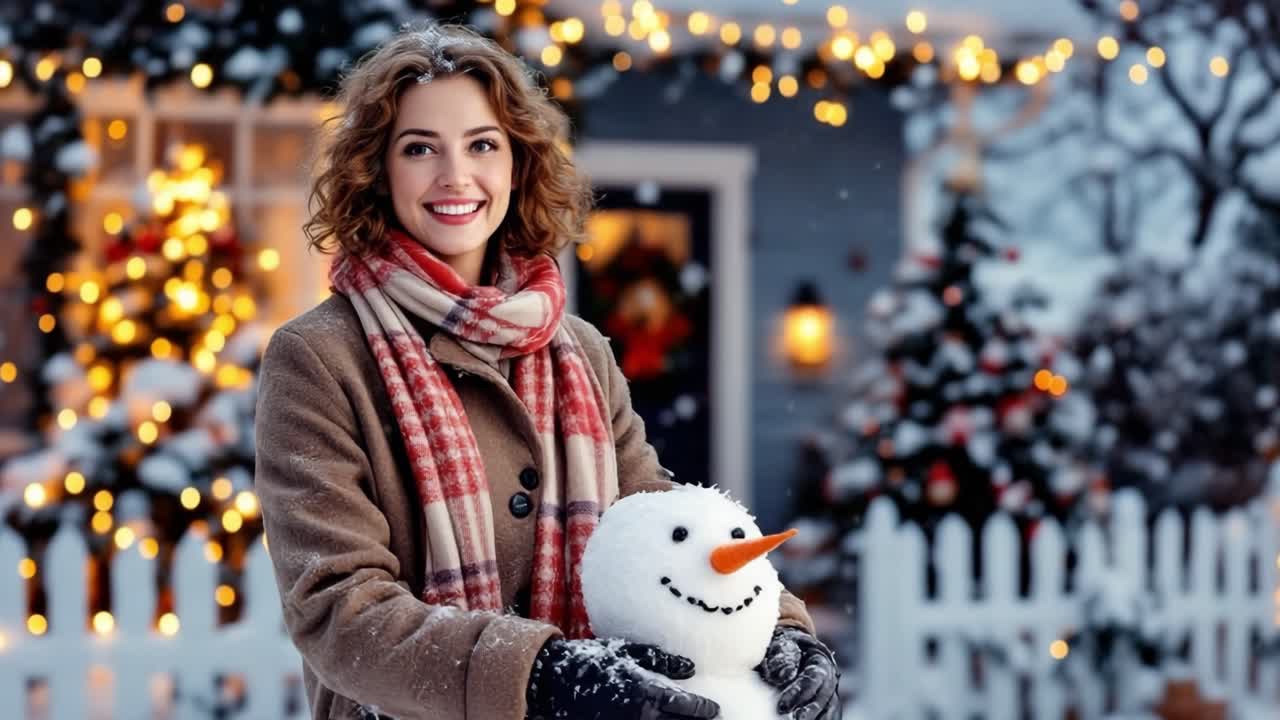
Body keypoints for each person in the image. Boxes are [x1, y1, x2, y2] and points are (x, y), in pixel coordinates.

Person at [254, 22, 841, 720]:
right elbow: (338, 611)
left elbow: (659, 520)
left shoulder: (579, 348)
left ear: (517, 164)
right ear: (376, 170)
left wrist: (778, 625)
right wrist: (541, 676)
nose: (455, 177)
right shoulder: (318, 358)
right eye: (419, 149)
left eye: (482, 145)